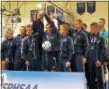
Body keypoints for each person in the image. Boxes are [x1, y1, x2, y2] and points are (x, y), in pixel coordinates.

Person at [85, 22, 107, 89]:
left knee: (100, 79)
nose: (90, 30)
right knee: (91, 78)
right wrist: (85, 57)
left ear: (96, 28)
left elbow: (104, 50)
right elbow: (88, 48)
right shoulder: (90, 37)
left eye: (91, 28)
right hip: (90, 61)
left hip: (98, 61)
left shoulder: (101, 38)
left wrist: (101, 61)